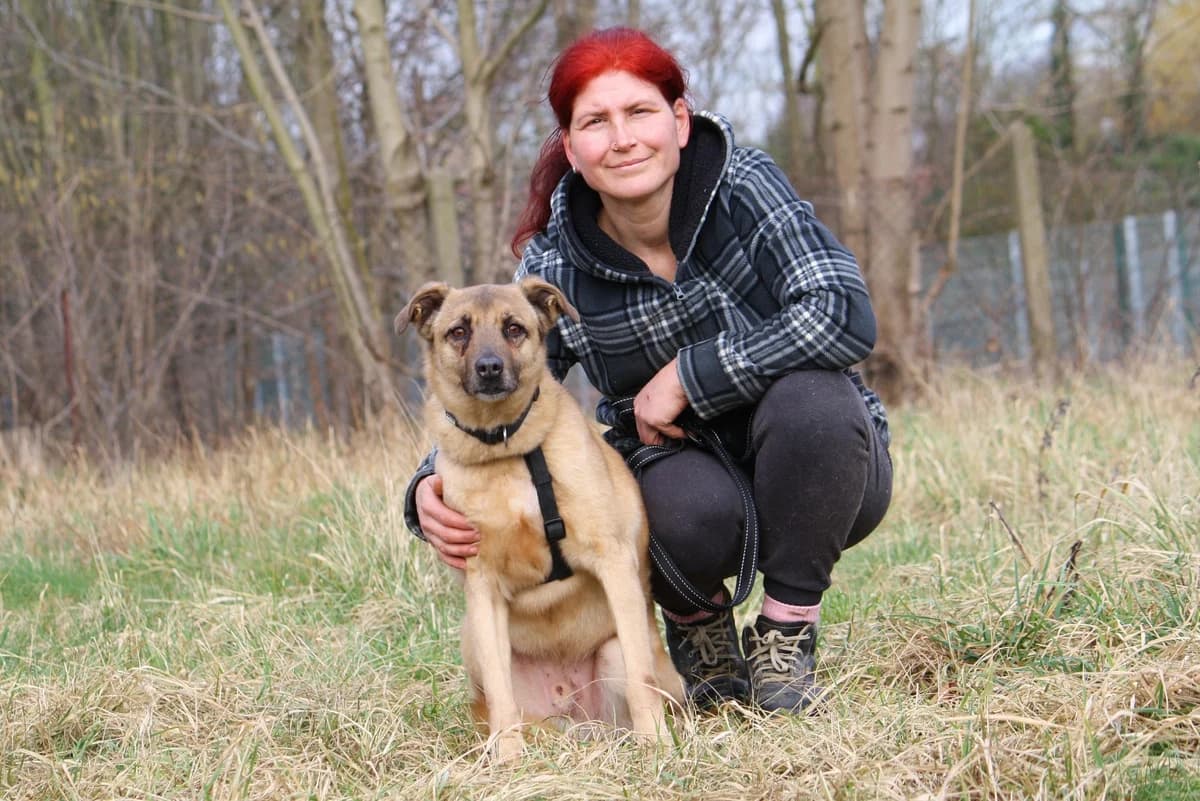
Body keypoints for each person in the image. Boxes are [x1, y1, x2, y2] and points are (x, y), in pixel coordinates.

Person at [404, 26, 892, 715]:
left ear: (679, 121)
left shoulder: (744, 186)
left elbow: (844, 313)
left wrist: (692, 376)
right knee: (635, 496)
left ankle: (786, 632)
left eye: (639, 112)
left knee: (815, 399)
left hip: (824, 463)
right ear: (572, 149)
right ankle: (699, 628)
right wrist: (428, 482)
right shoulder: (556, 263)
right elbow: (504, 384)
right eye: (595, 123)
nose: (623, 138)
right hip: (682, 487)